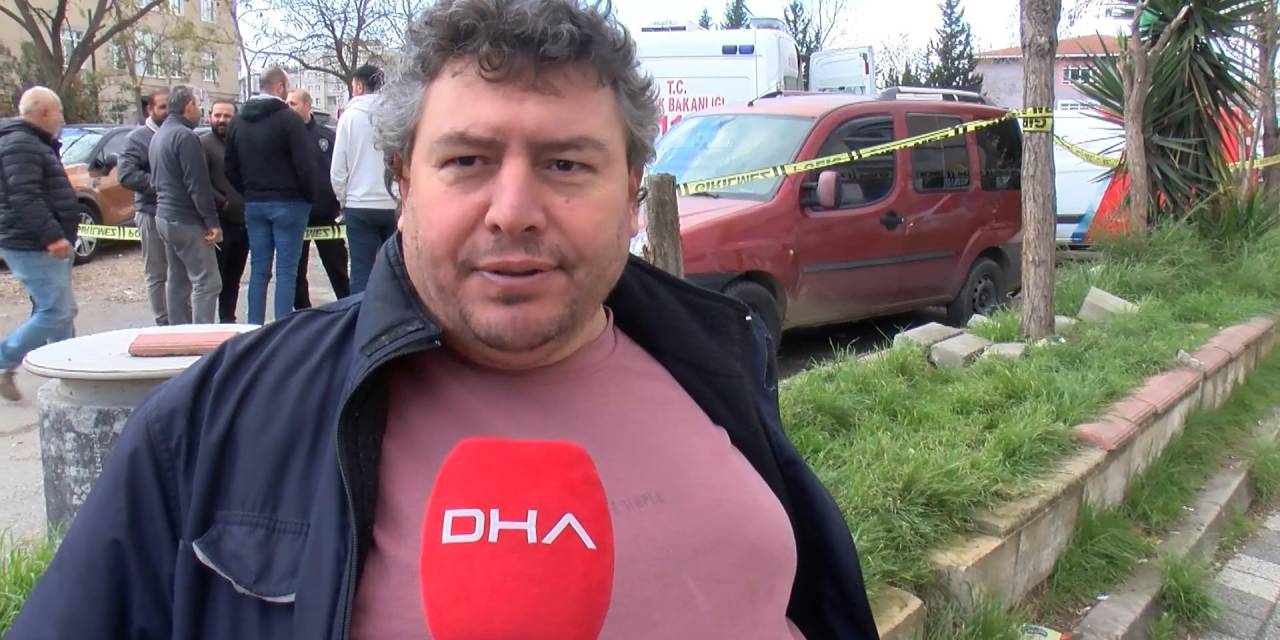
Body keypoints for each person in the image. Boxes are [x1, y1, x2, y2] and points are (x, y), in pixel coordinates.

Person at [7, 0, 880, 637]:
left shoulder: (719, 356)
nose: (514, 210)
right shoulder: (216, 423)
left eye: (566, 164)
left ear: (629, 195)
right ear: (403, 183)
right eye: (467, 160)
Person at [0, 87, 79, 402]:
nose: (62, 119)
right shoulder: (21, 144)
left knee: (60, 311)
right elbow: (25, 196)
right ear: (44, 113)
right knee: (57, 310)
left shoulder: (33, 142)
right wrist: (52, 236)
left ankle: (65, 368)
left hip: (37, 240)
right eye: (59, 112)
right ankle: (4, 360)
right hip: (31, 242)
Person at [225, 66, 321, 325]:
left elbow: (229, 167)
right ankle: (281, 330)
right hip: (290, 203)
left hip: (255, 203)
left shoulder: (238, 121)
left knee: (259, 270)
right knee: (286, 272)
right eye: (286, 87)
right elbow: (305, 165)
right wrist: (309, 196)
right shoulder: (289, 120)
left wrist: (249, 191)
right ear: (279, 87)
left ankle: (254, 327)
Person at [149, 85, 222, 325]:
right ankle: (201, 338)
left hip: (164, 216)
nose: (200, 111)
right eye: (198, 105)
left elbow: (155, 180)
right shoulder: (186, 137)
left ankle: (177, 332)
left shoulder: (159, 135)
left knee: (178, 280)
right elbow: (198, 185)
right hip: (186, 219)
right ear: (189, 105)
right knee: (207, 282)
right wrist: (212, 222)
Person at [331, 63, 398, 294]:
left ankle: (361, 315)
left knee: (361, 272)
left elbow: (338, 168)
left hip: (359, 203)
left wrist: (342, 199)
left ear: (359, 86)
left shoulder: (349, 118)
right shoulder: (397, 116)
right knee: (396, 270)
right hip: (392, 202)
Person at [286, 88, 350, 308]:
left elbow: (340, 168)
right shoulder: (283, 136)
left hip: (325, 213)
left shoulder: (327, 136)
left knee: (337, 268)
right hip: (296, 214)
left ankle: (347, 308)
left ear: (307, 105)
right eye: (287, 104)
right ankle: (303, 313)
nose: (289, 108)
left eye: (293, 104)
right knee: (296, 272)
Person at [116, 89, 171, 326]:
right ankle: (162, 322)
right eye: (162, 107)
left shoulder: (177, 134)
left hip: (178, 215)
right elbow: (126, 175)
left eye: (171, 107)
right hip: (151, 212)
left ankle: (181, 321)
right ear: (150, 109)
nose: (167, 112)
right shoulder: (138, 138)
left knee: (181, 273)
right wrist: (163, 185)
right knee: (157, 272)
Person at [201, 99, 249, 323]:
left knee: (234, 278)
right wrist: (223, 202)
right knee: (215, 279)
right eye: (217, 115)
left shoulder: (243, 143)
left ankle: (228, 320)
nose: (221, 120)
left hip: (244, 223)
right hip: (218, 224)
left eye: (227, 116)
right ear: (210, 116)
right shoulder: (203, 144)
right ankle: (209, 326)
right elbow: (199, 183)